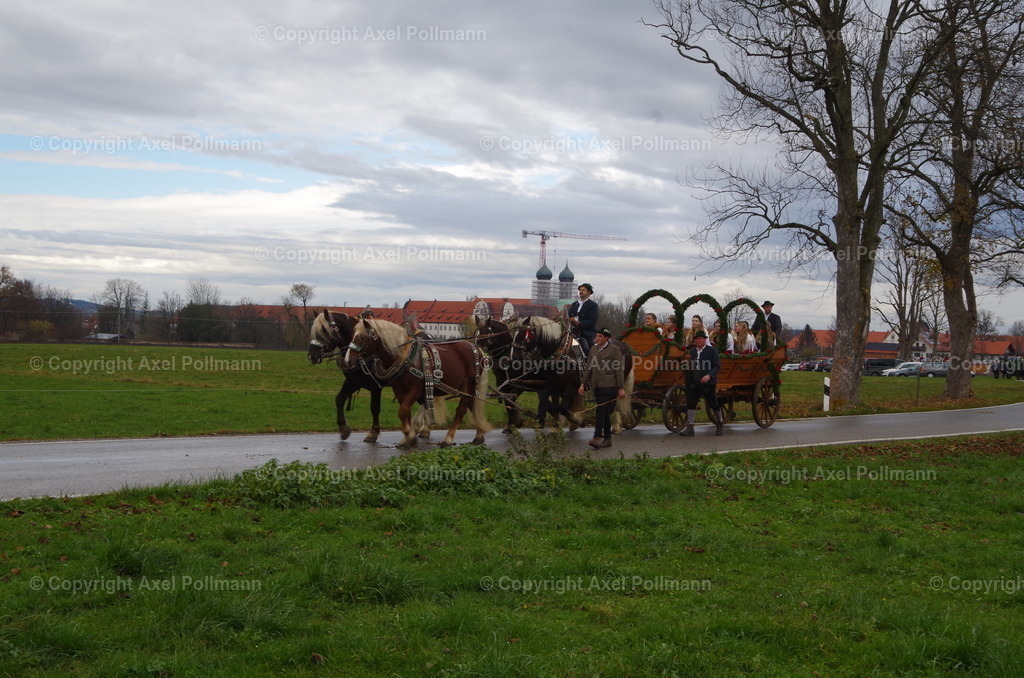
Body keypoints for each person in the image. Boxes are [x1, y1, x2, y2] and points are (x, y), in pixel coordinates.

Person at [578, 327, 626, 448]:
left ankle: (597, 436)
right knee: (604, 411)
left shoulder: (614, 349)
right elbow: (588, 367)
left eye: (600, 336)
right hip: (596, 385)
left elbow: (619, 369)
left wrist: (620, 387)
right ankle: (608, 439)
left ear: (606, 338)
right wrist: (583, 383)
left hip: (609, 385)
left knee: (600, 410)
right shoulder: (593, 349)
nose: (597, 338)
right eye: (596, 336)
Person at [680, 330, 724, 436]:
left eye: (700, 339)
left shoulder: (712, 351)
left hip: (708, 382)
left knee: (713, 403)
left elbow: (717, 366)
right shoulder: (693, 351)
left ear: (705, 340)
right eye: (696, 339)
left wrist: (709, 375)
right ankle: (690, 427)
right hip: (695, 382)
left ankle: (720, 424)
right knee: (691, 404)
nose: (698, 341)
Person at [567, 283, 599, 355]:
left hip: (586, 332)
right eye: (580, 290)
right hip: (572, 331)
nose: (581, 291)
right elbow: (568, 317)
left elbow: (592, 321)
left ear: (589, 292)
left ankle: (589, 361)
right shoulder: (574, 304)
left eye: (583, 290)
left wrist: (579, 323)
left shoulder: (593, 305)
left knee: (586, 348)